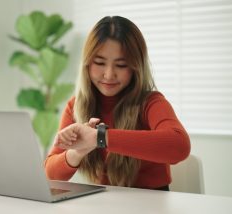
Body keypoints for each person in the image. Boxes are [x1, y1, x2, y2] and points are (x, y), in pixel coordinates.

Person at [44, 16, 190, 190]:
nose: (109, 74)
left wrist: (99, 137)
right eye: (99, 63)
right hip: (105, 203)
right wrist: (79, 150)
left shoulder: (151, 102)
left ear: (136, 67)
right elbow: (49, 175)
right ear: (87, 64)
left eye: (121, 65)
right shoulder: (76, 105)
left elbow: (179, 146)